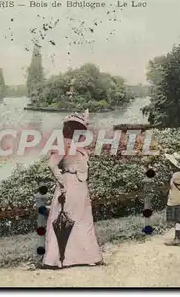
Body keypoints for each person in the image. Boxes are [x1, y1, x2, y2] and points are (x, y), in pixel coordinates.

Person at [43, 109, 103, 268]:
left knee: (83, 220)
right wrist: (62, 182)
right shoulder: (63, 143)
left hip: (81, 187)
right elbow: (52, 165)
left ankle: (87, 256)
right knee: (65, 220)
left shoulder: (79, 145)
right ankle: (60, 259)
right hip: (69, 185)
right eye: (79, 129)